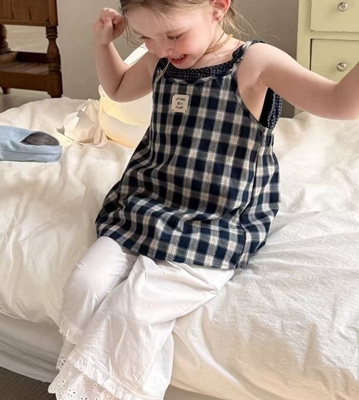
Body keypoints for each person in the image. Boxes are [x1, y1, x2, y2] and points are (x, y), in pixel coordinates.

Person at [48, 1, 359, 399]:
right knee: (85, 284)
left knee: (131, 309)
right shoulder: (161, 58)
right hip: (150, 199)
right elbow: (120, 89)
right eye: (146, 37)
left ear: (218, 7)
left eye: (174, 35)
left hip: (216, 215)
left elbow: (338, 102)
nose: (162, 48)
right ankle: (83, 377)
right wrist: (102, 43)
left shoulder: (255, 62)